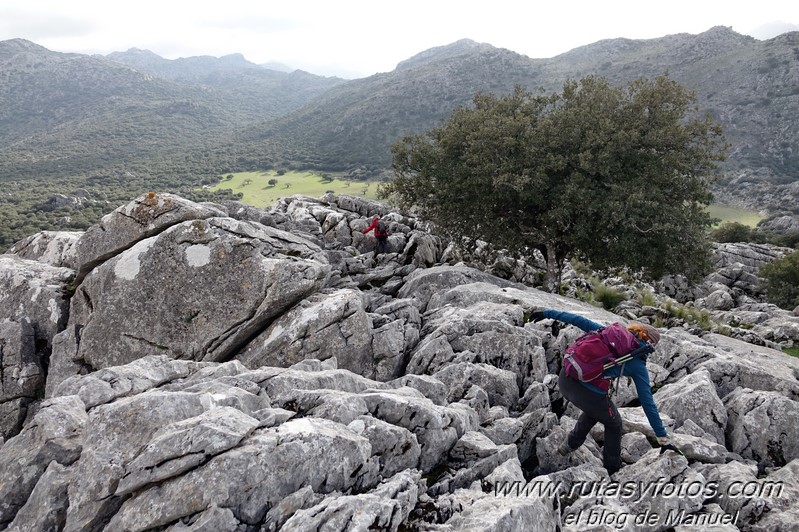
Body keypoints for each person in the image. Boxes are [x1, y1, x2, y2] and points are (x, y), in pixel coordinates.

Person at [530, 308, 671, 475]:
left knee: (599, 409)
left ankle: (570, 444)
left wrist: (545, 313)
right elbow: (648, 403)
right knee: (614, 423)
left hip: (565, 379)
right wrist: (662, 438)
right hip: (586, 394)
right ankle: (613, 470)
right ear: (649, 344)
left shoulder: (608, 334)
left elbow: (577, 318)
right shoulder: (637, 365)